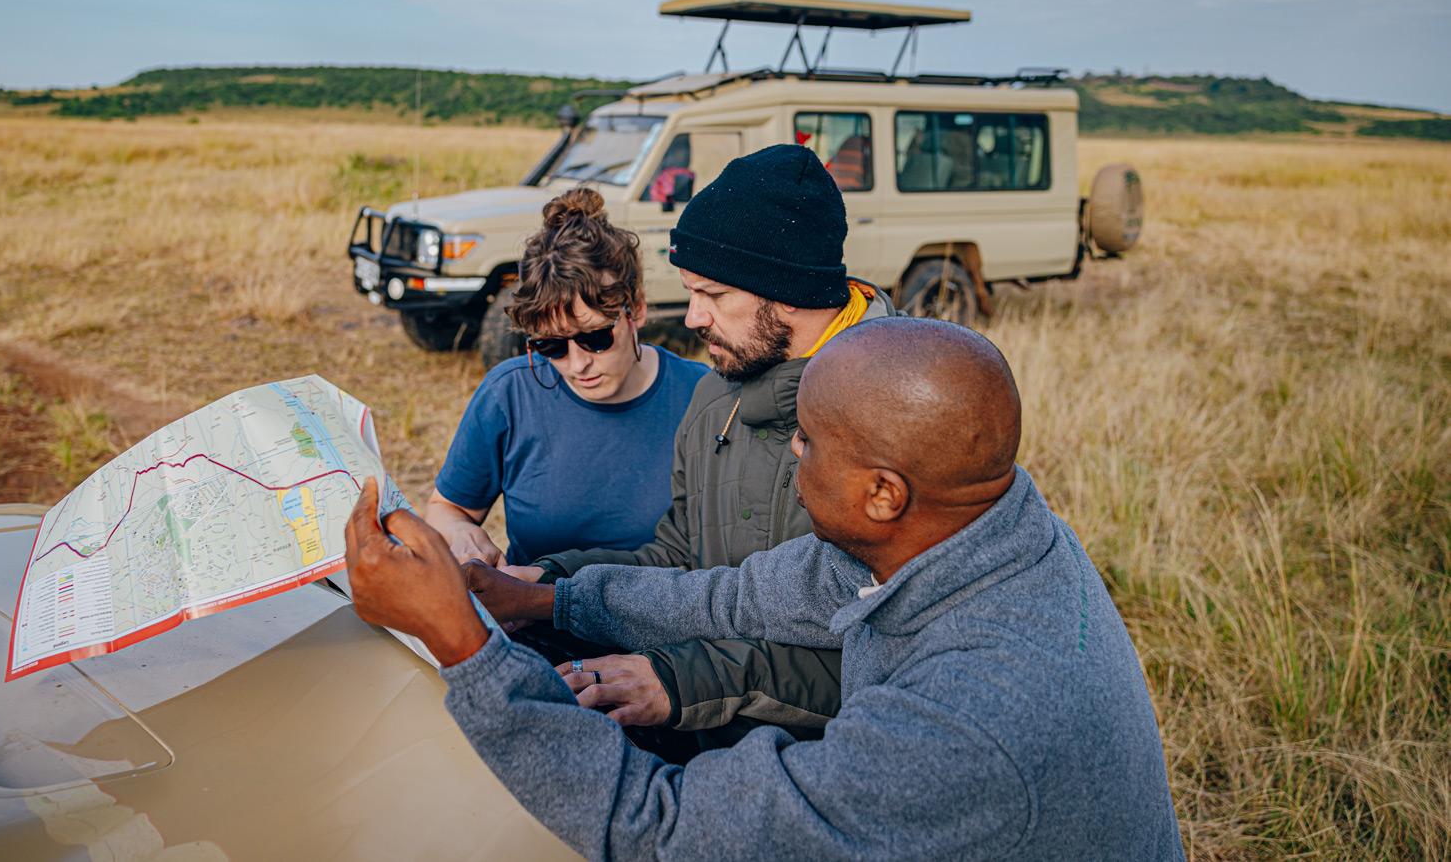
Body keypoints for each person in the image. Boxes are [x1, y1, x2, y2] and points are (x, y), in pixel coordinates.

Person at [342, 318, 1185, 861]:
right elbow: (731, 598)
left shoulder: (968, 719)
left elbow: (661, 829)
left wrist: (465, 643)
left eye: (810, 442)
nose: (791, 456)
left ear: (883, 492)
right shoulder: (978, 524)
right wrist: (539, 600)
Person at [505, 144, 896, 752]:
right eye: (690, 293)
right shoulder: (717, 396)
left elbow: (884, 657)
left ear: (784, 288)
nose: (692, 318)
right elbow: (682, 555)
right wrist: (549, 581)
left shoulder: (901, 419)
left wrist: (681, 679)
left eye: (712, 295)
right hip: (698, 733)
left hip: (819, 769)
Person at [424, 187, 707, 568]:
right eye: (550, 346)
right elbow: (448, 507)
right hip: (531, 620)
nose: (577, 365)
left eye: (595, 338)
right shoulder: (508, 394)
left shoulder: (701, 396)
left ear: (636, 309)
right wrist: (459, 532)